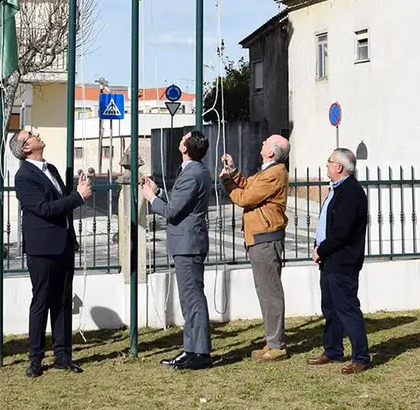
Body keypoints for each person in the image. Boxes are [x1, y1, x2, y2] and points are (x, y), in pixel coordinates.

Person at [10, 126, 93, 378]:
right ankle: (35, 358)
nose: (38, 135)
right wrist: (77, 197)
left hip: (63, 244)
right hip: (42, 248)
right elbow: (44, 209)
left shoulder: (51, 169)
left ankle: (62, 355)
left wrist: (75, 192)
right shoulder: (24, 176)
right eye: (31, 134)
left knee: (63, 302)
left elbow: (60, 204)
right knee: (42, 302)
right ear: (25, 147)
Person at [141, 129, 214, 370]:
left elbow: (172, 212)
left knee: (192, 299)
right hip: (188, 241)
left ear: (185, 148)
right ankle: (191, 348)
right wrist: (160, 192)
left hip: (188, 243)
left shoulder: (192, 173)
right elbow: (180, 201)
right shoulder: (196, 170)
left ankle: (199, 352)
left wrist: (151, 198)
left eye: (184, 138)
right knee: (189, 298)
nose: (181, 139)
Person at [219, 134, 291, 362]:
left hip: (265, 238)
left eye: (266, 142)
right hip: (260, 237)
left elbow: (247, 197)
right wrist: (233, 172)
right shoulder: (267, 170)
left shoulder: (275, 173)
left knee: (270, 293)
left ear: (271, 151)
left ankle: (277, 345)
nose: (261, 143)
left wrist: (228, 182)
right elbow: (250, 184)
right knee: (265, 291)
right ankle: (272, 341)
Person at [308, 148, 371, 374]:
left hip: (343, 261)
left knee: (347, 309)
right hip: (329, 260)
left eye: (329, 162)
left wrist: (321, 249)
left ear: (340, 167)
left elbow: (341, 232)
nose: (327, 165)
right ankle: (333, 349)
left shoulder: (351, 192)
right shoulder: (337, 190)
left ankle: (361, 356)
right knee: (331, 308)